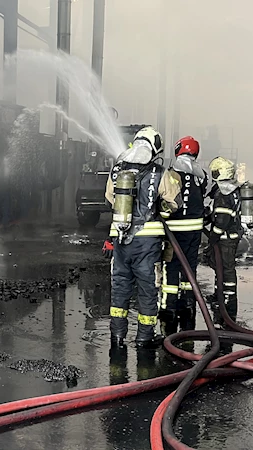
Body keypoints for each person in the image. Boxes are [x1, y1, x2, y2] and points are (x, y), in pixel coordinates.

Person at [102, 126, 183, 349]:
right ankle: (144, 337)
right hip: (147, 245)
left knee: (120, 288)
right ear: (155, 146)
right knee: (147, 290)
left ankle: (117, 336)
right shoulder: (159, 172)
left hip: (122, 240)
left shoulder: (117, 170)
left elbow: (110, 198)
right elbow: (175, 202)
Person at [159, 136, 208, 335]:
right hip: (194, 230)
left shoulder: (171, 171)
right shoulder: (201, 174)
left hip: (174, 230)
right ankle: (188, 303)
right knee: (190, 266)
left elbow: (167, 198)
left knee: (171, 266)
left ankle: (169, 307)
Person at [205, 156, 242, 325]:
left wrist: (213, 236)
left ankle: (229, 301)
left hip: (225, 239)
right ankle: (219, 294)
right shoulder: (232, 189)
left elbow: (222, 220)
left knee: (226, 269)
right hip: (230, 237)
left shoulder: (223, 194)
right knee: (219, 266)